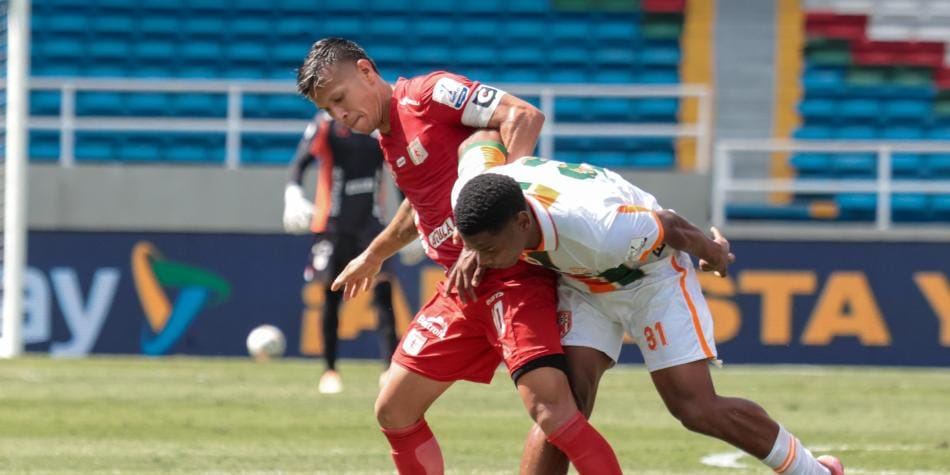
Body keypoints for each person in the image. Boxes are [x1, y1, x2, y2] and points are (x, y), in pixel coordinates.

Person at [296, 38, 621, 474]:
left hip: (510, 275)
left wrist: (497, 213)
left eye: (339, 98)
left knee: (554, 414)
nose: (340, 115)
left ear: (367, 71)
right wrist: (373, 255)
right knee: (394, 409)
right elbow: (419, 207)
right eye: (329, 110)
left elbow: (524, 116)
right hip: (460, 287)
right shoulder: (389, 137)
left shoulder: (430, 95)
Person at [451, 134, 846, 475]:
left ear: (521, 222)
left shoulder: (598, 228)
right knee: (564, 404)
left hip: (649, 280)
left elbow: (671, 225)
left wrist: (715, 253)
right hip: (582, 284)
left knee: (694, 408)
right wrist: (474, 246)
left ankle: (814, 469)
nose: (482, 258)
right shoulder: (475, 195)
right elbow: (476, 140)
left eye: (487, 247)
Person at [282, 111, 398, 394]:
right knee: (332, 295)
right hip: (332, 224)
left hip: (372, 223)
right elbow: (300, 162)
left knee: (383, 293)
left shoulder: (379, 125)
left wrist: (417, 218)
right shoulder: (326, 125)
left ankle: (390, 370)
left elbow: (401, 174)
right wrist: (292, 192)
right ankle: (330, 370)